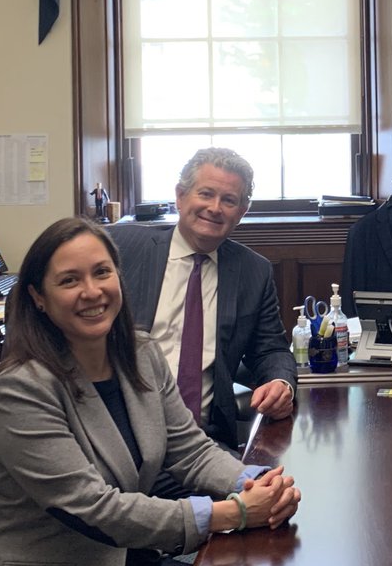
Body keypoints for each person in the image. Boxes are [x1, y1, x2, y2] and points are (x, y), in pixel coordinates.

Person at [0, 218, 303, 566]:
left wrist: (256, 482)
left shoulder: (139, 354)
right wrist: (236, 513)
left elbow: (188, 449)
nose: (92, 291)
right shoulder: (21, 390)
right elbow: (94, 509)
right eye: (70, 280)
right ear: (38, 298)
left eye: (102, 273)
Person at [107, 148, 296, 451]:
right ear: (180, 196)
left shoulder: (253, 271)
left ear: (242, 211)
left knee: (276, 492)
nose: (215, 208)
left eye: (229, 200)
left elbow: (271, 348)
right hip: (122, 437)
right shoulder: (123, 248)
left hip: (205, 442)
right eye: (205, 193)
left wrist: (280, 383)